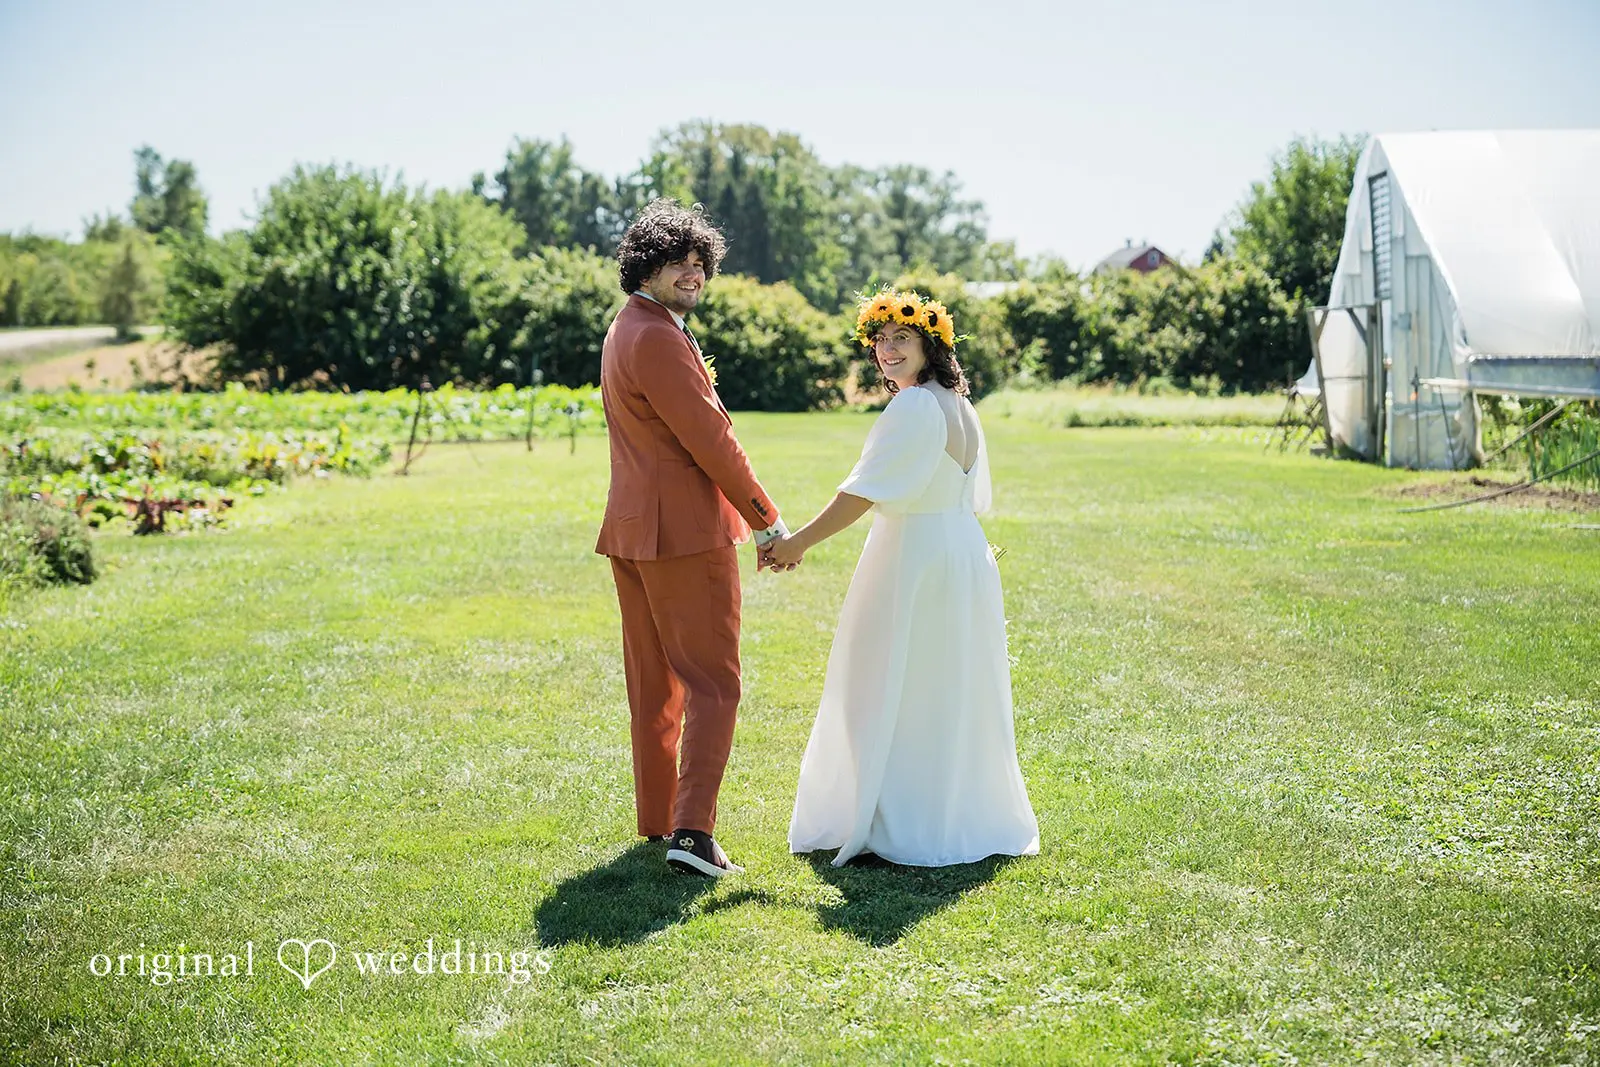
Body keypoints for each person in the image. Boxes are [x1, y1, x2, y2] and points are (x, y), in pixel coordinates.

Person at [767, 289, 1040, 867]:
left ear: (929, 344)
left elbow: (863, 492)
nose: (888, 351)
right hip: (961, 551)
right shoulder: (960, 404)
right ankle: (950, 811)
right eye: (880, 341)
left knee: (888, 677)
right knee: (944, 685)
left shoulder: (915, 406)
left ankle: (902, 818)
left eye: (901, 340)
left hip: (914, 553)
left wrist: (796, 544)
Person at [595, 199, 791, 878]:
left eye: (700, 260)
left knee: (655, 683)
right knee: (712, 683)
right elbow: (711, 440)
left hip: (633, 530)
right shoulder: (655, 335)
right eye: (675, 258)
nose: (691, 270)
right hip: (682, 535)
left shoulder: (628, 328)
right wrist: (767, 518)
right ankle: (692, 834)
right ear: (642, 265)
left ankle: (659, 818)